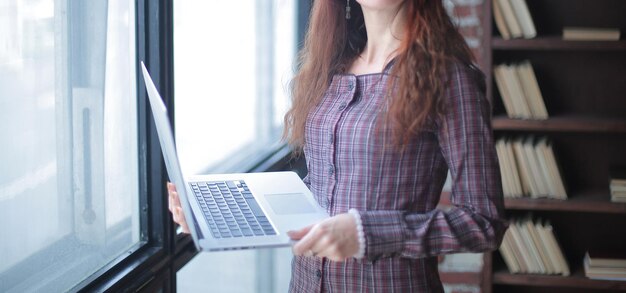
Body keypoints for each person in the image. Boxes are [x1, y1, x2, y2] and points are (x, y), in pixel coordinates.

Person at [168, 0, 507, 291]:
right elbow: (326, 185)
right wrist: (217, 216)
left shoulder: (449, 78)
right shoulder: (332, 66)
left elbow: (483, 223)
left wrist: (367, 233)